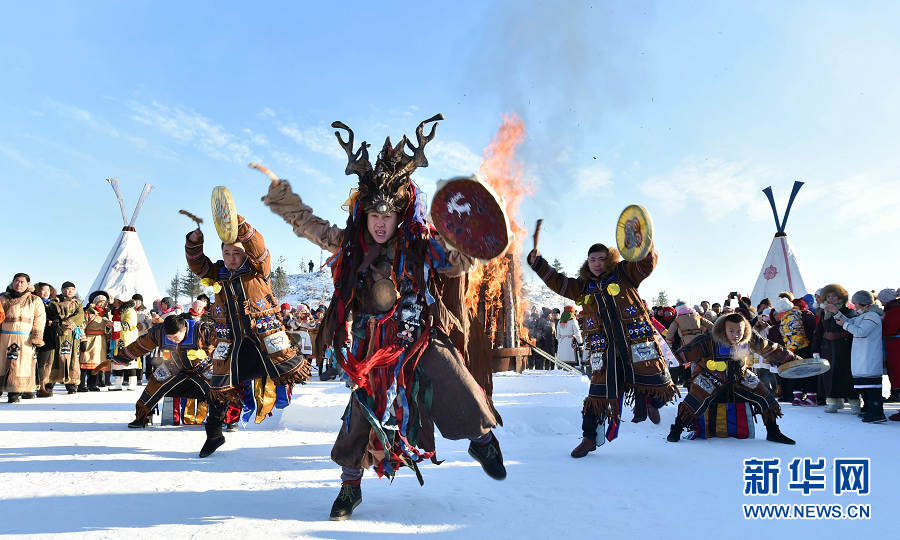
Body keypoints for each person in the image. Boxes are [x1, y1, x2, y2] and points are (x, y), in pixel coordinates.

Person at [259, 115, 506, 521]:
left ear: (400, 215)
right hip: (369, 346)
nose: (379, 222)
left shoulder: (422, 246)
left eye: (387, 216)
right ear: (364, 215)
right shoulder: (349, 244)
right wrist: (282, 198)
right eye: (373, 214)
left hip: (415, 336)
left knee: (450, 371)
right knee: (362, 409)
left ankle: (480, 439)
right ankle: (349, 487)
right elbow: (308, 224)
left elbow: (459, 262)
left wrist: (483, 241)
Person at [528, 239, 676, 458]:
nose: (596, 264)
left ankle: (653, 403)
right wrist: (539, 264)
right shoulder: (581, 287)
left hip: (635, 345)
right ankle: (589, 439)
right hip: (604, 352)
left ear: (610, 260)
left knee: (660, 382)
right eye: (592, 259)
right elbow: (558, 282)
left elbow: (645, 264)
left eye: (601, 259)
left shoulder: (625, 273)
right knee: (596, 397)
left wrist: (644, 243)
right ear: (587, 262)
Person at [185, 210, 312, 457]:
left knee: (289, 368)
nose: (232, 258)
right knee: (219, 388)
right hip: (232, 342)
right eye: (227, 253)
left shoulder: (258, 269)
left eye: (237, 253)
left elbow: (258, 246)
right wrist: (194, 243)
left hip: (263, 339)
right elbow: (197, 264)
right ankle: (214, 433)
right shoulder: (217, 275)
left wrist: (237, 222)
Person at [667, 313, 798, 444]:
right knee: (693, 400)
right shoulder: (708, 340)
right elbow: (684, 353)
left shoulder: (750, 339)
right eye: (731, 331)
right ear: (723, 329)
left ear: (745, 329)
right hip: (710, 375)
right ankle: (676, 430)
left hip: (740, 376)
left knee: (765, 396)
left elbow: (770, 348)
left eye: (739, 331)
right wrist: (666, 362)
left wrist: (794, 359)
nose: (736, 335)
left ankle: (773, 432)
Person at [832, 290, 886, 423]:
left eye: (856, 305)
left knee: (872, 388)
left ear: (865, 304)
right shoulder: (865, 315)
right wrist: (836, 312)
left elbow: (860, 331)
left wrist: (844, 324)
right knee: (866, 387)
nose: (855, 307)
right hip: (863, 358)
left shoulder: (872, 316)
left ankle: (877, 413)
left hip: (869, 357)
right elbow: (851, 321)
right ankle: (869, 410)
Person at [0, 274, 46, 402]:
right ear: (12, 282)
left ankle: (14, 393)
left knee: (20, 365)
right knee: (2, 364)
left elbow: (40, 319)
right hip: (4, 336)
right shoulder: (3, 298)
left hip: (24, 338)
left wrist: (37, 337)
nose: (19, 284)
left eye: (22, 282)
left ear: (28, 284)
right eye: (16, 281)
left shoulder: (34, 300)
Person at [812, 284, 857, 414]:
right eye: (828, 296)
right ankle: (832, 401)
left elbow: (852, 327)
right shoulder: (822, 312)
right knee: (829, 375)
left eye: (834, 296)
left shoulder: (849, 311)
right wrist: (815, 349)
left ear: (840, 297)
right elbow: (818, 333)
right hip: (827, 348)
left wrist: (836, 312)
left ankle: (854, 402)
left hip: (845, 347)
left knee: (846, 375)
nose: (830, 299)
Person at [773, 297, 816, 406]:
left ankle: (811, 397)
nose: (777, 314)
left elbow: (798, 335)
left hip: (801, 349)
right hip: (792, 349)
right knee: (795, 373)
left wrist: (792, 348)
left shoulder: (792, 317)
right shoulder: (786, 318)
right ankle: (797, 396)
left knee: (805, 373)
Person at [43, 281, 84, 395]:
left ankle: (71, 384)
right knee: (54, 358)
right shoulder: (54, 302)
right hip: (56, 333)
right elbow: (49, 315)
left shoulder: (78, 303)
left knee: (71, 358)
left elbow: (80, 316)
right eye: (65, 289)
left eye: (71, 289)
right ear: (62, 290)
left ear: (74, 290)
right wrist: (58, 322)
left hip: (71, 335)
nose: (68, 291)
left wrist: (68, 322)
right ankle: (49, 383)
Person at [80, 291, 112, 392]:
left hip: (100, 340)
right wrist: (83, 339)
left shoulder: (106, 314)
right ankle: (81, 384)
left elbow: (108, 329)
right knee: (85, 362)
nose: (102, 304)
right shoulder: (89, 313)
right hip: (89, 338)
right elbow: (82, 326)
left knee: (96, 364)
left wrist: (108, 335)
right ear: (96, 303)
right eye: (100, 302)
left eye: (104, 302)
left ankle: (92, 384)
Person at [878, 288, 900, 413]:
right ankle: (895, 391)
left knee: (896, 369)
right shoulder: (891, 309)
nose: (881, 303)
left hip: (894, 344)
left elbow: (890, 328)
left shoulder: (894, 311)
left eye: (882, 301)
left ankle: (896, 392)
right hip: (892, 343)